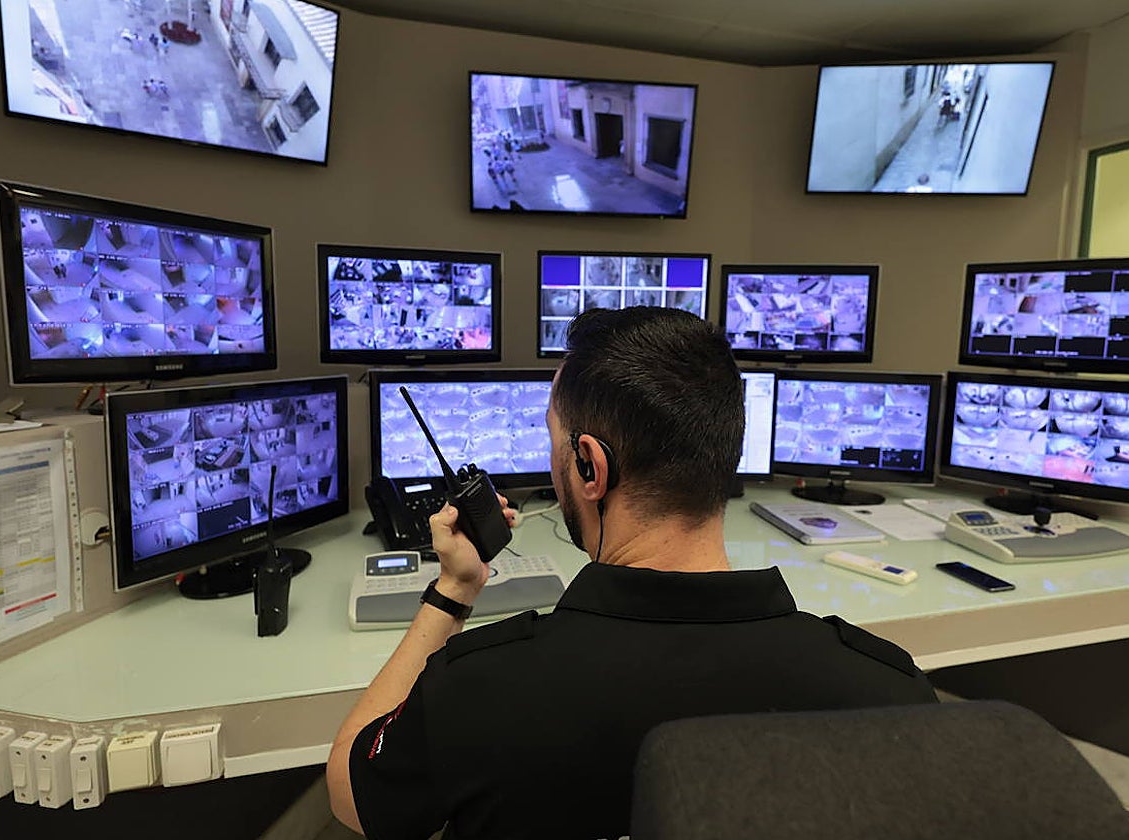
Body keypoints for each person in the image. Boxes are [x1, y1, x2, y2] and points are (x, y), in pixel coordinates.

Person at [327, 307, 937, 840]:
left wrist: (454, 590)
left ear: (589, 467)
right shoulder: (891, 693)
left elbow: (351, 796)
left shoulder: (474, 688)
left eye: (554, 440)